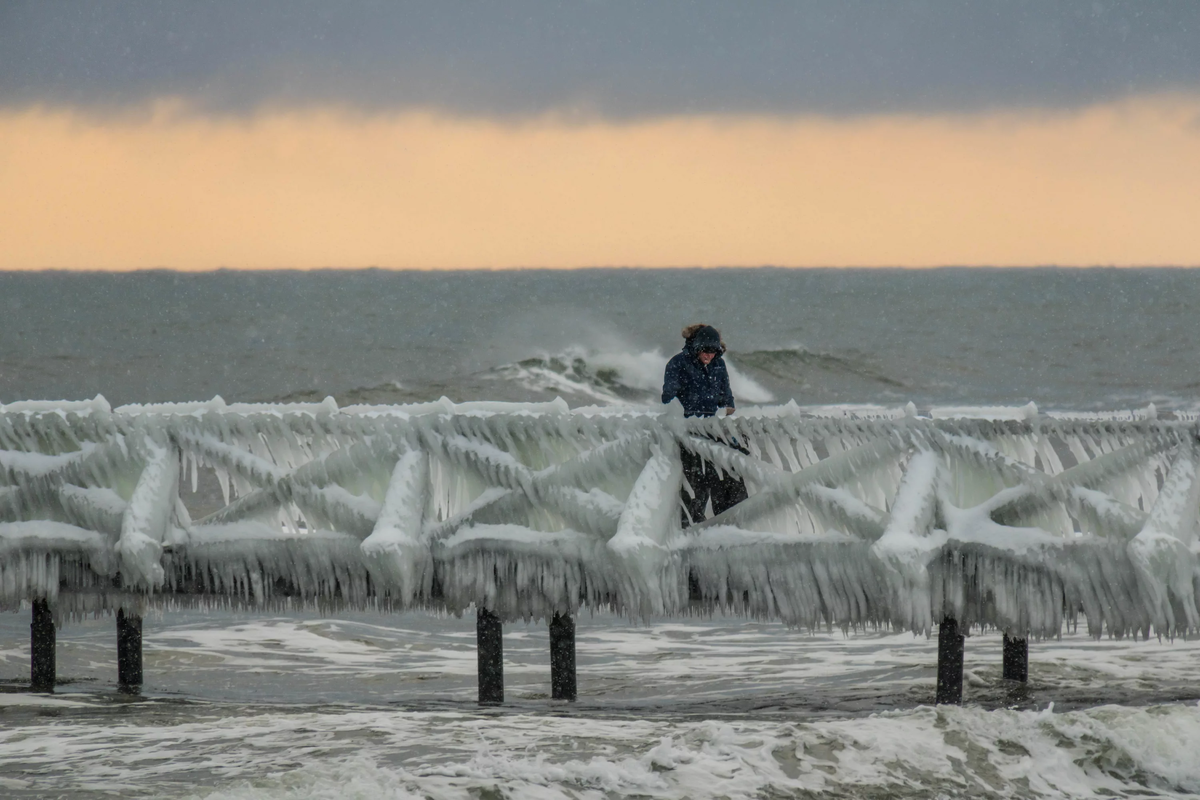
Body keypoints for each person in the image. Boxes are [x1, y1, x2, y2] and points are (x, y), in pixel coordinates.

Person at [662, 324, 748, 527]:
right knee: (695, 483)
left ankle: (729, 522)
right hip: (689, 431)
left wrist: (729, 415)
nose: (709, 356)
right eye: (706, 351)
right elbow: (668, 399)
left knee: (727, 474)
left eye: (713, 351)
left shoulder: (719, 365)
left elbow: (726, 398)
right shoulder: (677, 363)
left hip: (712, 428)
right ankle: (690, 526)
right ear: (697, 347)